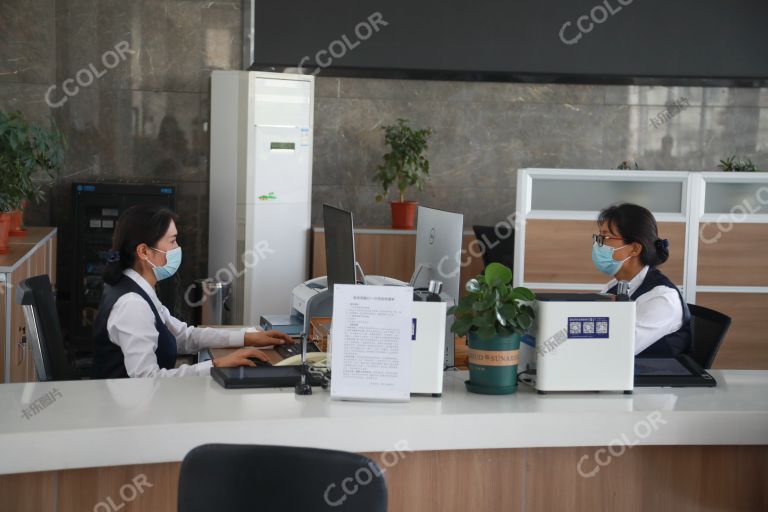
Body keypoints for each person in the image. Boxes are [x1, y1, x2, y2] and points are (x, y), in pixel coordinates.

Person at [91, 205, 293, 378]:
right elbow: (147, 379)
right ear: (144, 251)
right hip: (129, 415)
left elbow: (182, 336)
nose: (177, 248)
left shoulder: (136, 287)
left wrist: (246, 338)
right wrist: (217, 365)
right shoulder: (132, 304)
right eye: (172, 241)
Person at [592, 203, 691, 357]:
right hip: (615, 372)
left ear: (635, 248)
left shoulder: (662, 299)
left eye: (605, 237)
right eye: (599, 236)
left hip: (648, 378)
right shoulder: (616, 286)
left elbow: (617, 350)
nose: (598, 244)